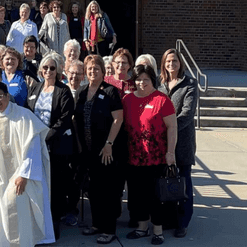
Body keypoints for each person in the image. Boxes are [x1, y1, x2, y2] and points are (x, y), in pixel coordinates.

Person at [0, 82, 55, 246]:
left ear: (7, 96)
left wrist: (24, 175)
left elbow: (33, 148)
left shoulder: (24, 115)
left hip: (22, 175)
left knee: (19, 201)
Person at [122, 65, 177, 245]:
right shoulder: (127, 100)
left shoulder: (162, 100)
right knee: (137, 195)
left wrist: (170, 152)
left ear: (152, 79)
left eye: (146, 79)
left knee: (156, 195)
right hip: (134, 157)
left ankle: (158, 230)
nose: (142, 83)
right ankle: (142, 227)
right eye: (138, 79)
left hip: (157, 157)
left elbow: (172, 127)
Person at [73, 54, 124, 244]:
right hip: (87, 151)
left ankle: (109, 229)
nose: (92, 71)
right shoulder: (82, 91)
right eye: (89, 69)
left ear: (103, 71)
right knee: (93, 189)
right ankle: (96, 224)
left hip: (106, 151)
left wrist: (109, 144)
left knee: (107, 191)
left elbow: (118, 119)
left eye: (96, 68)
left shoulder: (111, 91)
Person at [24, 53, 76, 240]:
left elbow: (64, 118)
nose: (48, 71)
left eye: (52, 68)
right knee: (40, 182)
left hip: (56, 145)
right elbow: (27, 110)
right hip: (36, 143)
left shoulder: (63, 91)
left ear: (58, 70)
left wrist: (47, 135)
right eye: (45, 68)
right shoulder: (35, 88)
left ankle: (54, 222)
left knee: (56, 185)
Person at [157, 49, 198, 238]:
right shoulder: (160, 84)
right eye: (168, 61)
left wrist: (168, 129)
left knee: (184, 184)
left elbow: (187, 114)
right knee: (167, 182)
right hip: (162, 143)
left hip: (182, 143)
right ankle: (170, 219)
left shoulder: (189, 84)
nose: (171, 64)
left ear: (180, 63)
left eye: (174, 60)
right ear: (164, 64)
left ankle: (183, 222)